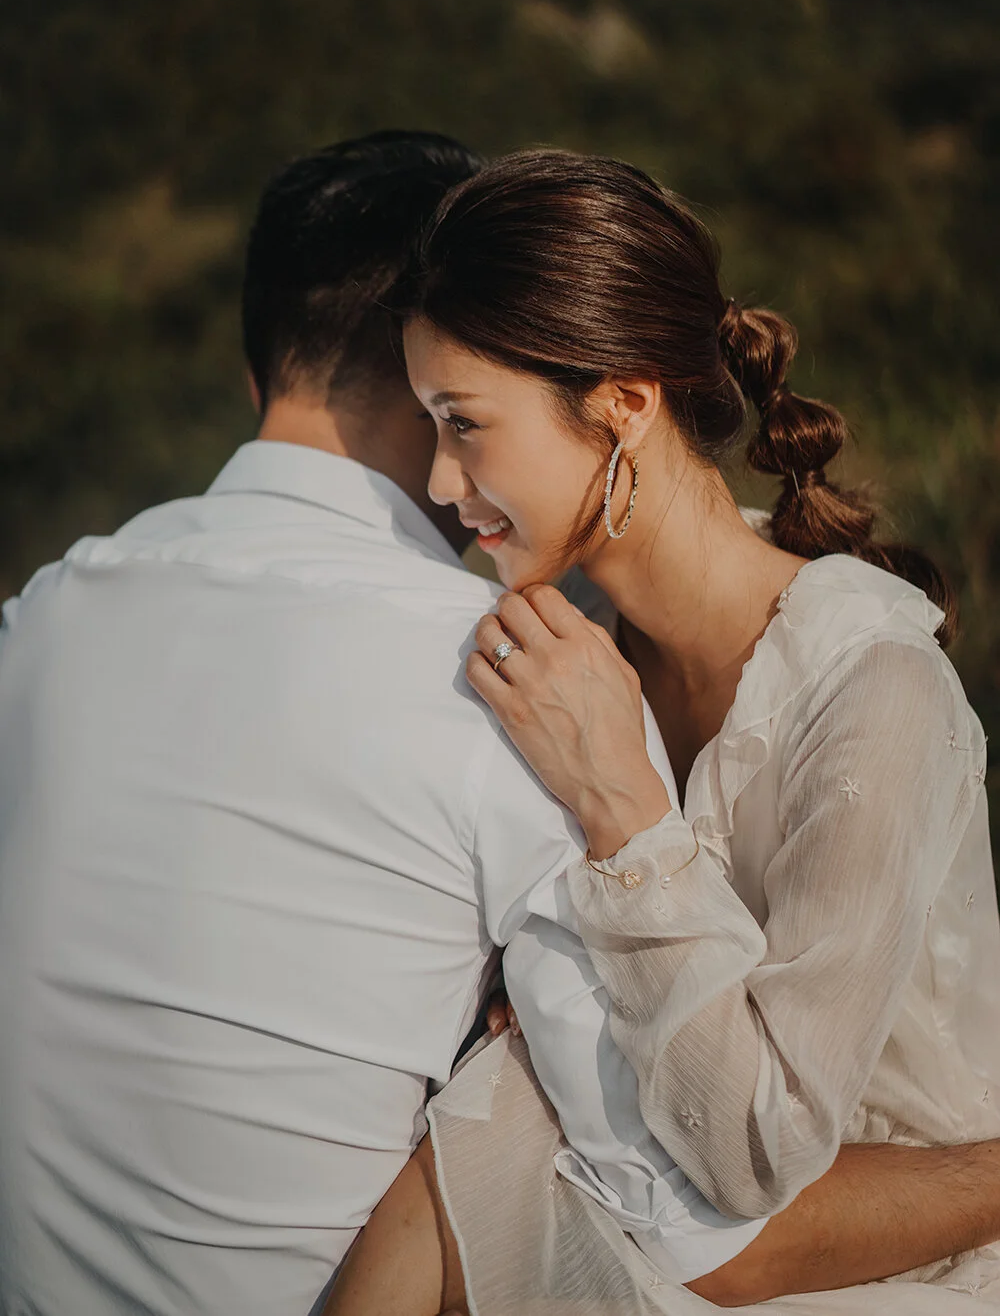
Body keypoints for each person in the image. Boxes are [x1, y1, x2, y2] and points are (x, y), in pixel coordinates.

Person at [0, 129, 797, 1316]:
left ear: (253, 370)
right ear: (437, 370)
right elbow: (688, 1201)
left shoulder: (40, 621)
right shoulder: (511, 680)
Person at [330, 150, 1000, 1315]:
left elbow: (757, 1144)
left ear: (625, 403)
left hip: (888, 1260)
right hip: (668, 1199)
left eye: (466, 423)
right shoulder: (564, 640)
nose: (441, 480)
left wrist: (623, 810)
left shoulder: (873, 689)